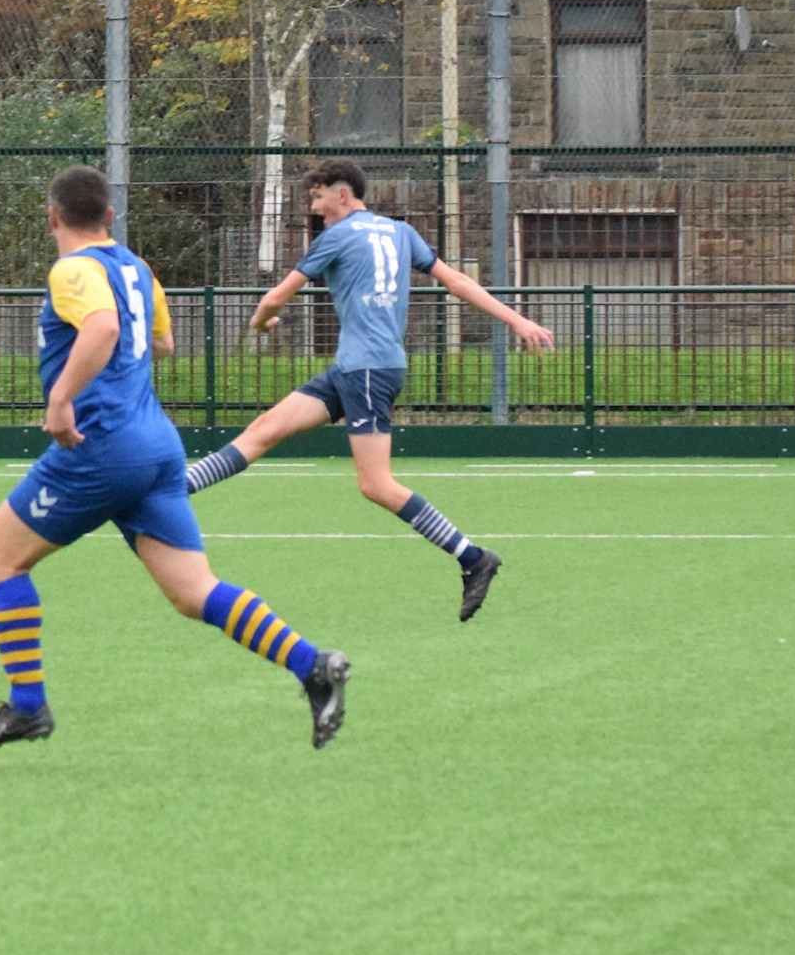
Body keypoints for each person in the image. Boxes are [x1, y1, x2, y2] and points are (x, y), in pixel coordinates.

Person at [0, 166, 349, 751]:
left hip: (100, 448)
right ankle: (311, 665)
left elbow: (102, 326)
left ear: (52, 216)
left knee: (0, 561)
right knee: (193, 591)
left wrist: (63, 398)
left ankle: (27, 708)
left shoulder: (73, 269)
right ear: (110, 217)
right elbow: (162, 342)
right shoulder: (136, 267)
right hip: (157, 446)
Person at [184, 157, 556, 622]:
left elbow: (274, 297)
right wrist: (518, 319)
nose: (315, 209)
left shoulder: (336, 237)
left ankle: (473, 558)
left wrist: (262, 325)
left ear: (343, 194)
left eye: (318, 198)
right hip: (357, 369)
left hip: (366, 372)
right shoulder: (400, 231)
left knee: (375, 484)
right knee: (263, 431)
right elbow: (457, 281)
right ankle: (175, 490)